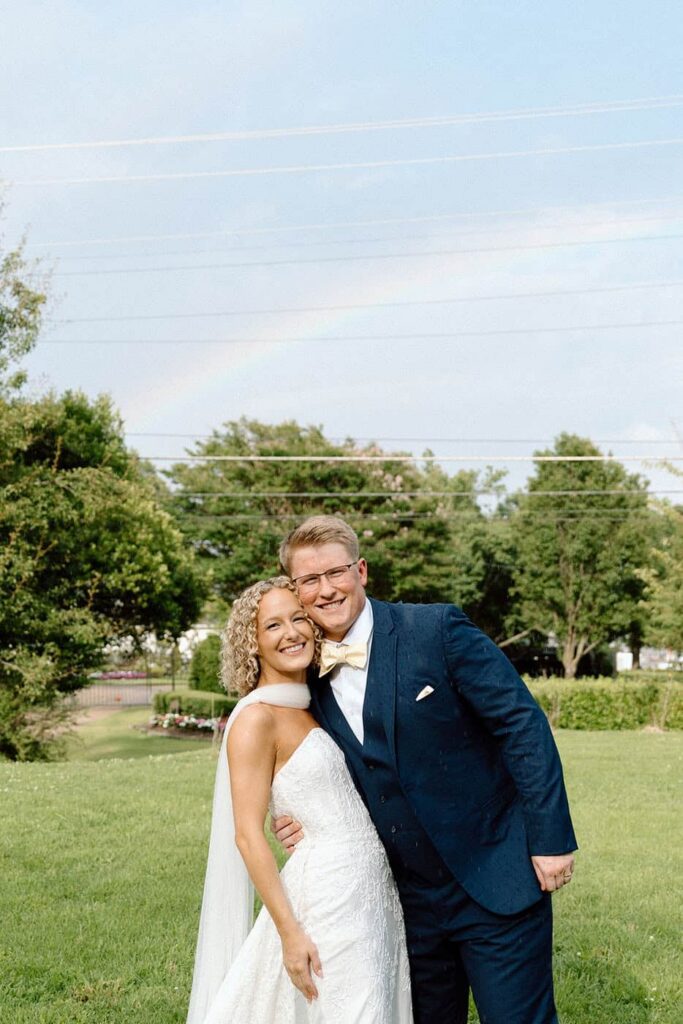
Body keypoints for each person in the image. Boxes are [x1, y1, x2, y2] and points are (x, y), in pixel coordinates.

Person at [274, 516, 578, 1024]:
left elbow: (522, 726)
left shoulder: (436, 629)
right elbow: (321, 766)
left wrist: (551, 839)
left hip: (494, 877)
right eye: (309, 580)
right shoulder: (306, 673)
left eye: (335, 572)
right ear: (296, 589)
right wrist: (303, 818)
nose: (325, 590)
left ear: (361, 570)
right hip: (402, 902)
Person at [186, 576, 412, 1024]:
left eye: (298, 619)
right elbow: (248, 835)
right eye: (272, 626)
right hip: (326, 900)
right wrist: (290, 934)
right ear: (252, 645)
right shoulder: (256, 718)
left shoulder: (313, 705)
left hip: (371, 893)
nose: (291, 633)